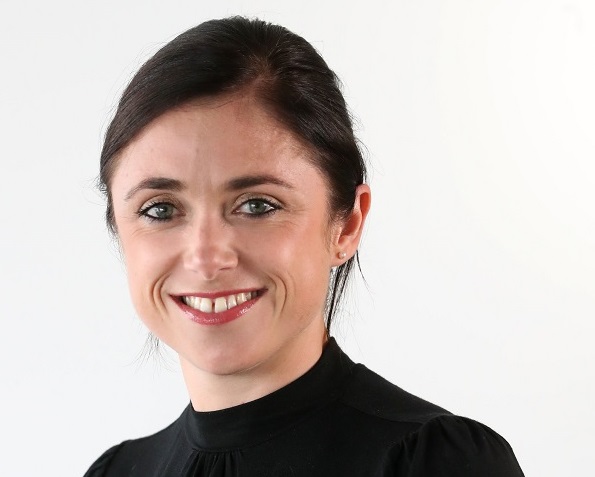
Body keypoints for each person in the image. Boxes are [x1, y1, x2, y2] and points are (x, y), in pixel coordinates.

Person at [85, 16, 524, 477]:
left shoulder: (435, 462)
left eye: (257, 205)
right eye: (160, 210)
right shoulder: (116, 472)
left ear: (347, 225)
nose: (207, 258)